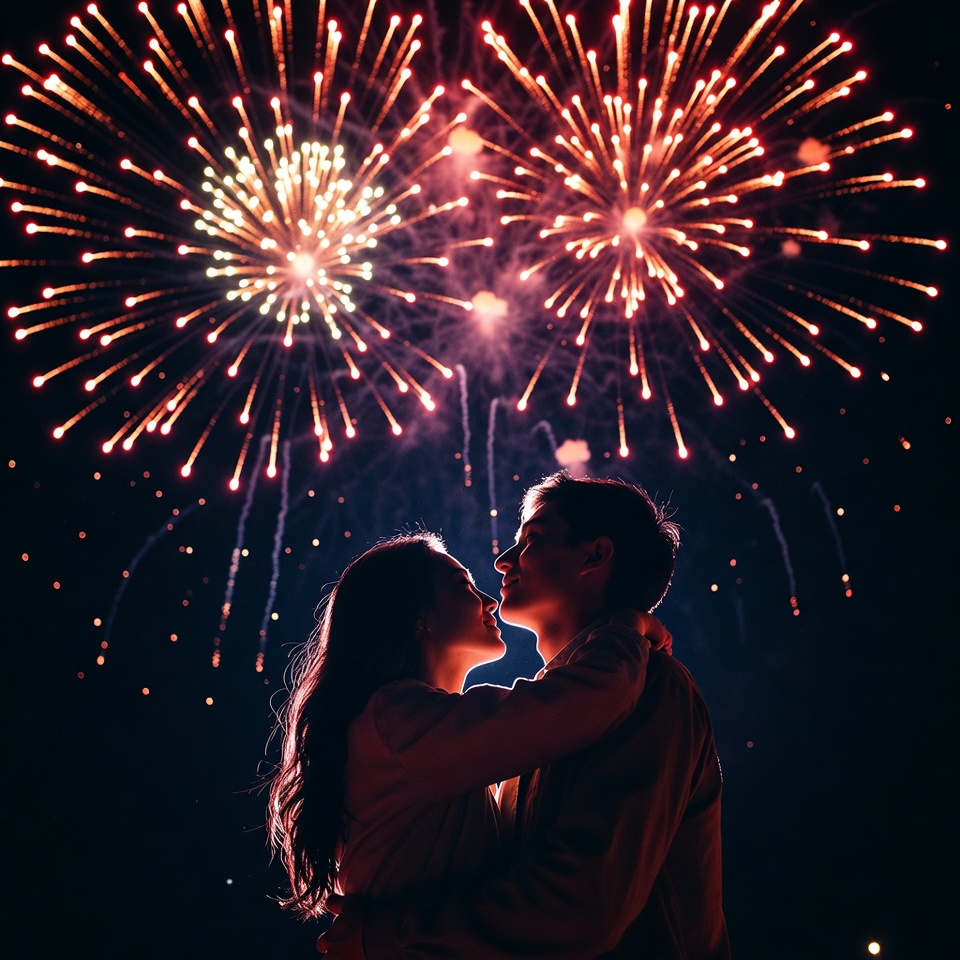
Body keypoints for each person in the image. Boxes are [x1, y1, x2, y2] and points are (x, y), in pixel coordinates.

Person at [321, 473, 731, 959]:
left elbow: (578, 906)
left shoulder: (650, 686)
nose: (501, 561)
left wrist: (386, 937)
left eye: (531, 539)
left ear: (594, 556)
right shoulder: (530, 729)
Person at [268, 530, 668, 919]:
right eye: (464, 585)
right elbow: (582, 701)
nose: (490, 601)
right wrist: (627, 629)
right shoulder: (400, 721)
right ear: (418, 615)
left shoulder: (411, 726)